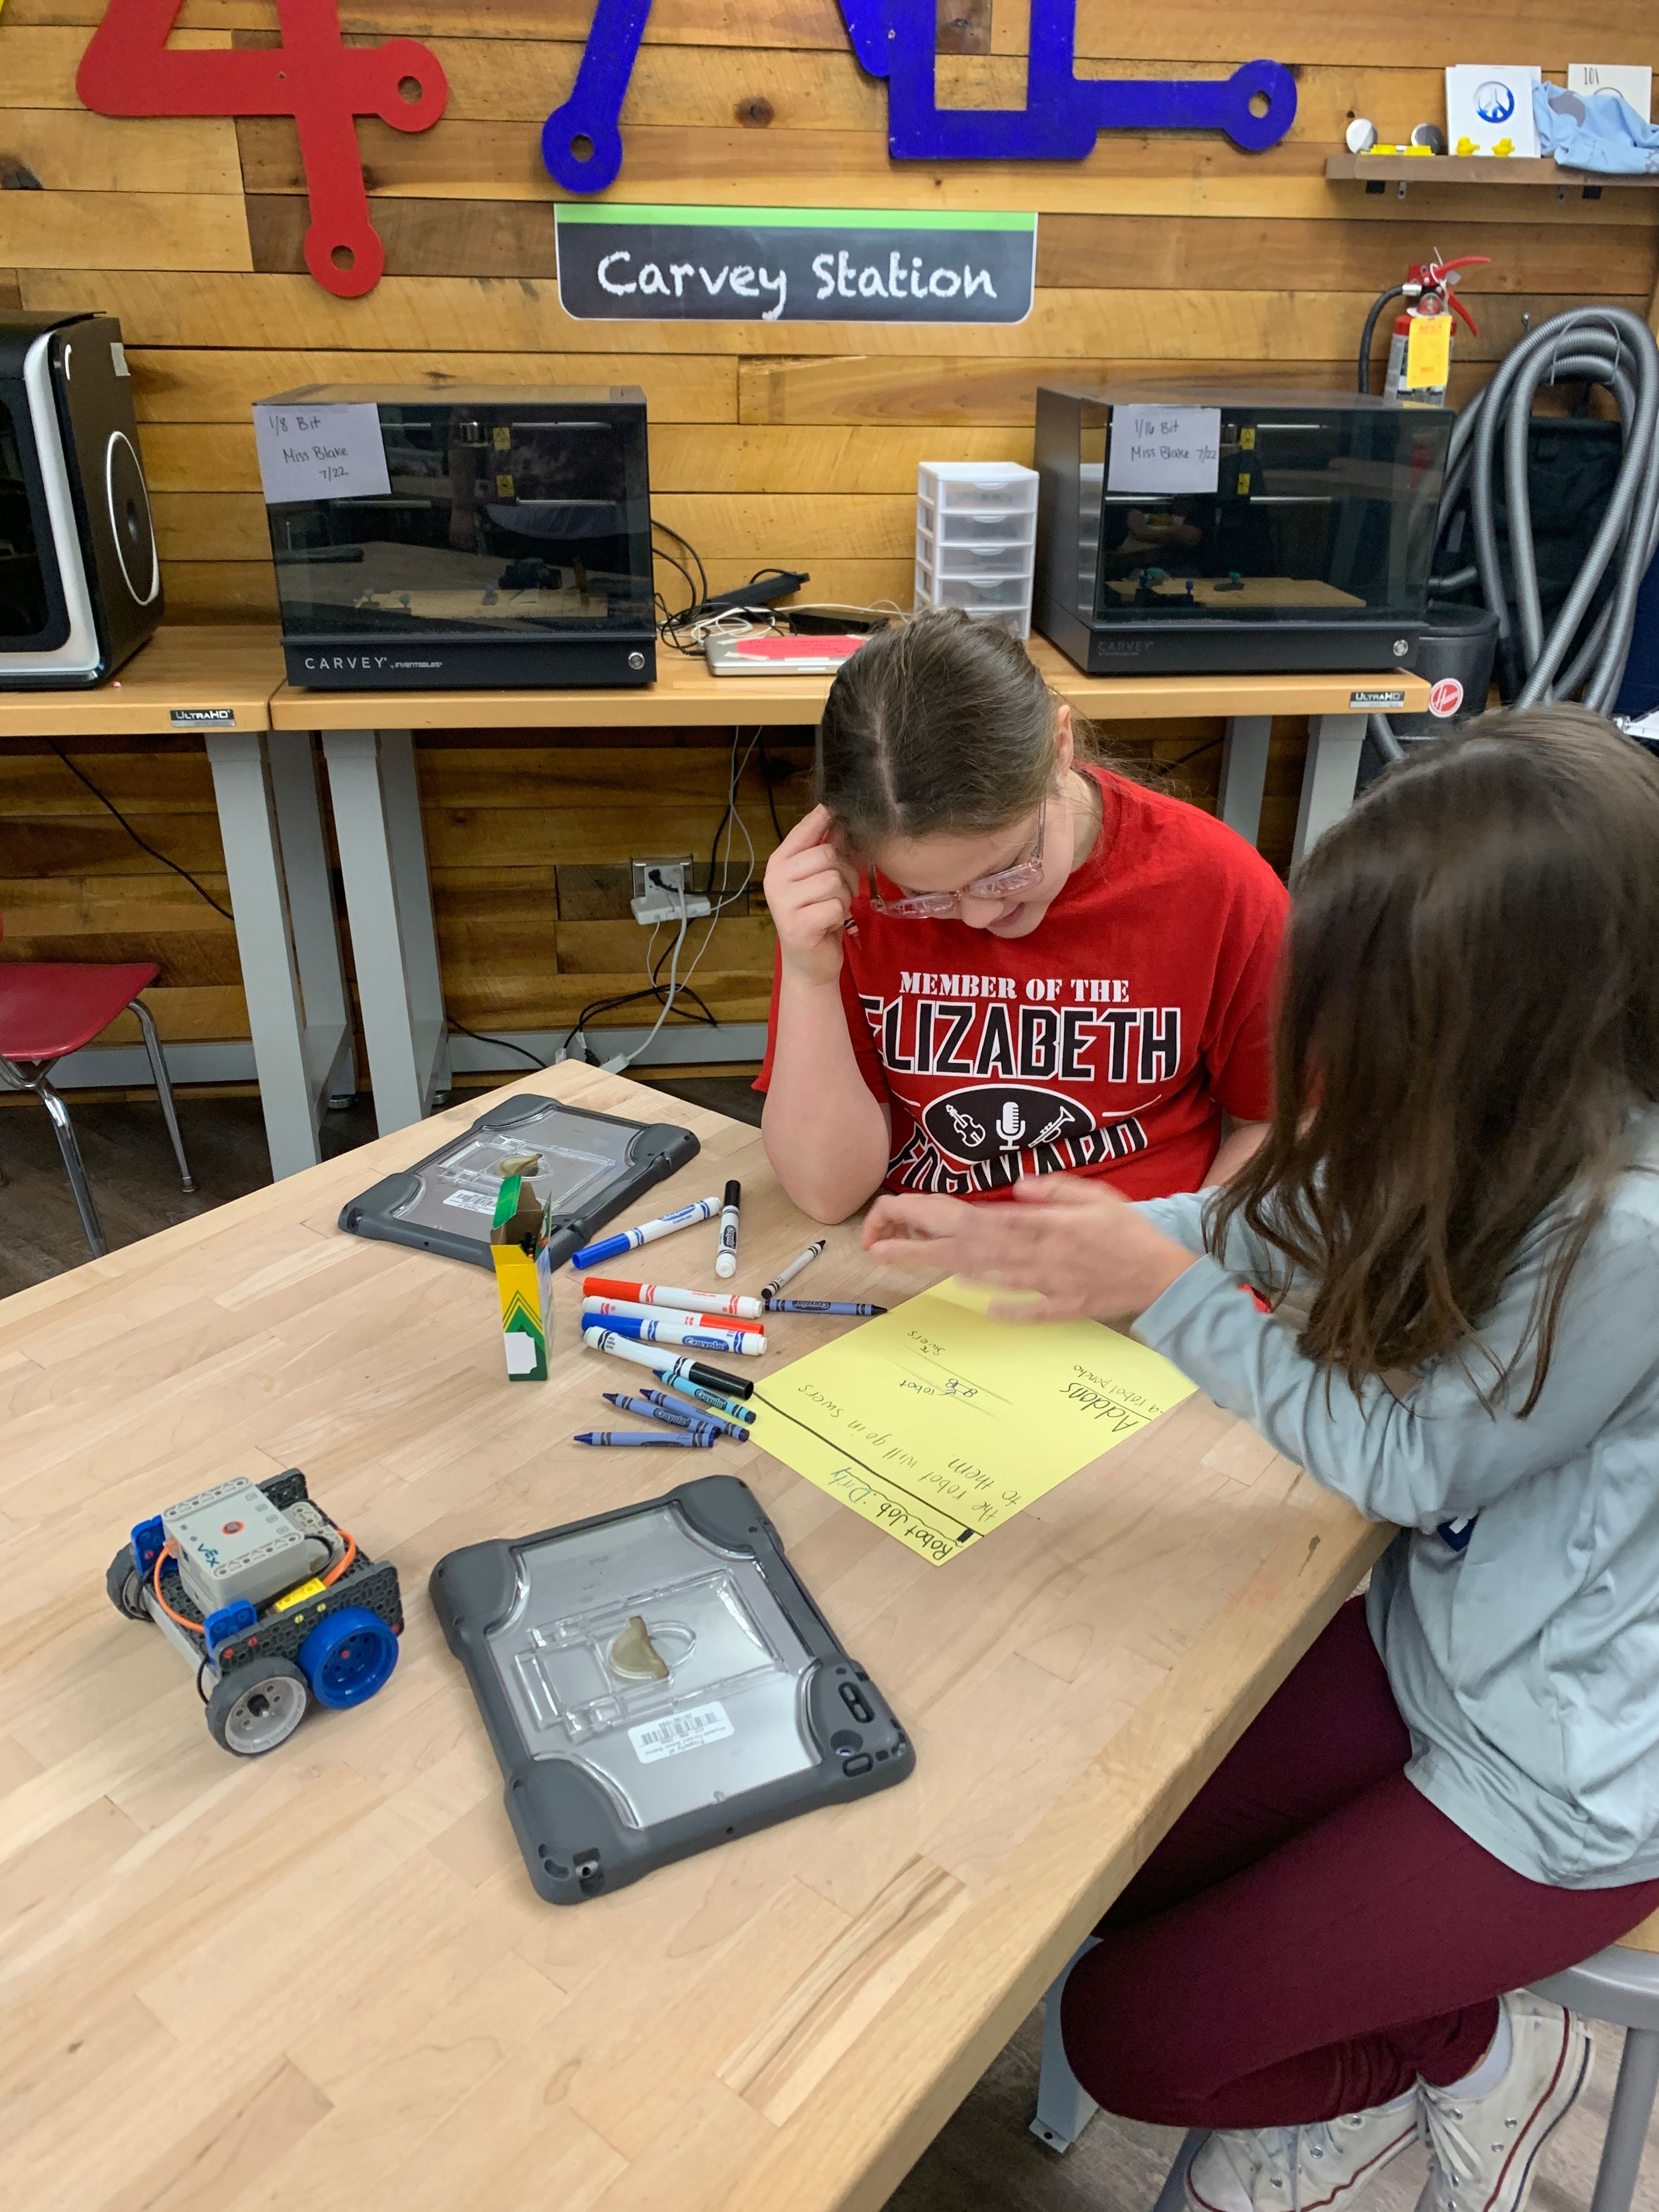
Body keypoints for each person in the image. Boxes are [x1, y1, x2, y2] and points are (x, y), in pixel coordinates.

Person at [861, 706, 1659, 2212]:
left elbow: (1413, 1468)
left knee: (1128, 2040)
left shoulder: (1632, 1232)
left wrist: (1157, 1291)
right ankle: (1413, 2003)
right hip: (1442, 1642)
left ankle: (1463, 2062)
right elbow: (1300, 1224)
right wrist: (1059, 1240)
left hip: (1574, 1777)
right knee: (1099, 1871)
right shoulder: (1523, 1108)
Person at [757, 608, 1289, 1222]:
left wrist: (1183, 1253)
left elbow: (1283, 1121)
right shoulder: (841, 892)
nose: (981, 917)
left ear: (1060, 747)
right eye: (925, 892)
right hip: (920, 1267)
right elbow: (828, 1195)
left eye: (1010, 865)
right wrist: (809, 977)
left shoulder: (1217, 884)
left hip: (1134, 1267)